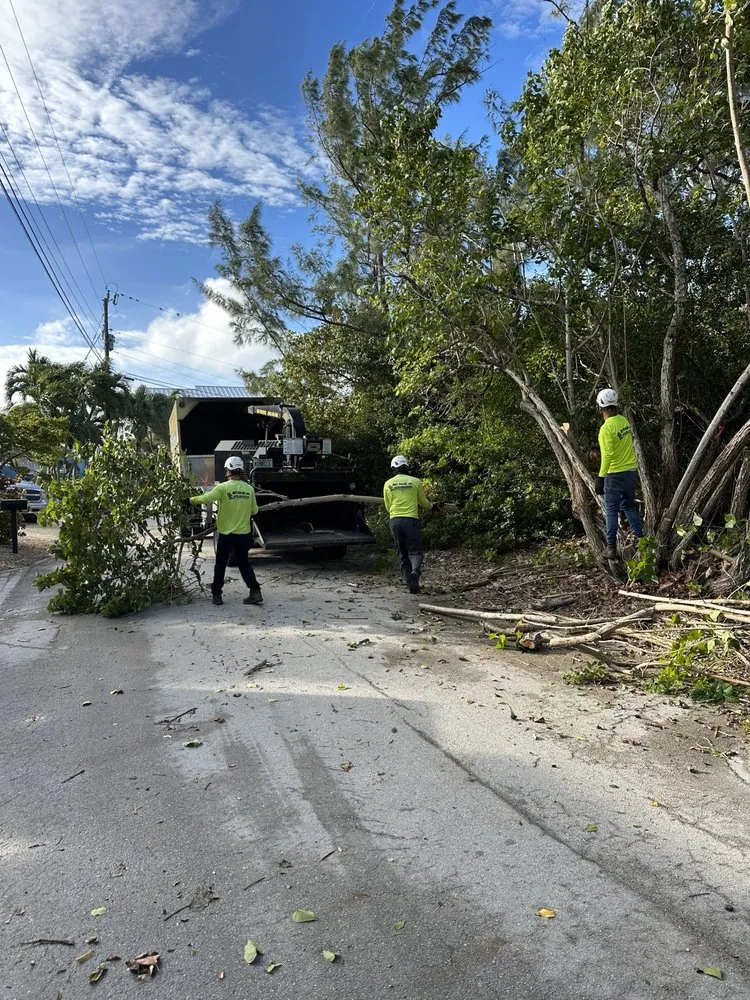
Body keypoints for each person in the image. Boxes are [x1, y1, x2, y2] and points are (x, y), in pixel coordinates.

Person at [189, 456, 263, 607]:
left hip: (226, 534)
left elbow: (206, 498)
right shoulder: (249, 489)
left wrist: (190, 499)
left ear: (229, 470)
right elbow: (255, 511)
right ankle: (255, 591)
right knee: (244, 564)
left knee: (220, 564)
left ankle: (217, 595)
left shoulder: (222, 488)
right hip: (243, 535)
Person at [594, 388, 643, 560]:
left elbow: (608, 454)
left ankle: (611, 548)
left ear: (601, 407)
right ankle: (641, 539)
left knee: (611, 511)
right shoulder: (624, 421)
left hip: (614, 475)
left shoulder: (605, 429)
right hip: (630, 472)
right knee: (628, 506)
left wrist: (601, 477)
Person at [383, 455, 432, 594]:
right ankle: (415, 573)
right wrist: (433, 507)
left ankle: (409, 583)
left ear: (394, 468)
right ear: (406, 466)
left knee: (402, 552)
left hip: (395, 520)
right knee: (415, 551)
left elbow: (388, 506)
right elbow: (424, 503)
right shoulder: (415, 482)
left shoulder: (388, 484)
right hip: (411, 521)